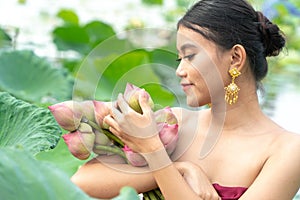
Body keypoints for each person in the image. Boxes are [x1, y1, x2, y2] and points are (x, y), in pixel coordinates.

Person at [71, 0, 300, 199]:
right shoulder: (176, 123)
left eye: (190, 56)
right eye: (180, 59)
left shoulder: (288, 150)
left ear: (235, 58)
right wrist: (180, 169)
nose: (180, 70)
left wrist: (154, 152)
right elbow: (81, 182)